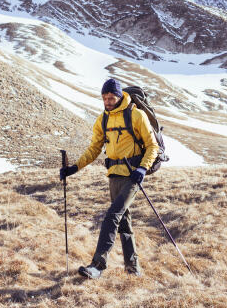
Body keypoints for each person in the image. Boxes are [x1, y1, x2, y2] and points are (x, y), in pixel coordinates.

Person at [60, 78, 159, 279]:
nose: (107, 101)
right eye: (104, 98)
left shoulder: (136, 115)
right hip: (114, 176)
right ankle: (133, 268)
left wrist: (142, 169)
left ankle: (98, 264)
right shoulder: (103, 120)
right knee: (123, 221)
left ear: (120, 95)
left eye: (111, 97)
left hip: (133, 176)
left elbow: (152, 146)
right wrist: (74, 168)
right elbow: (94, 149)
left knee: (112, 215)